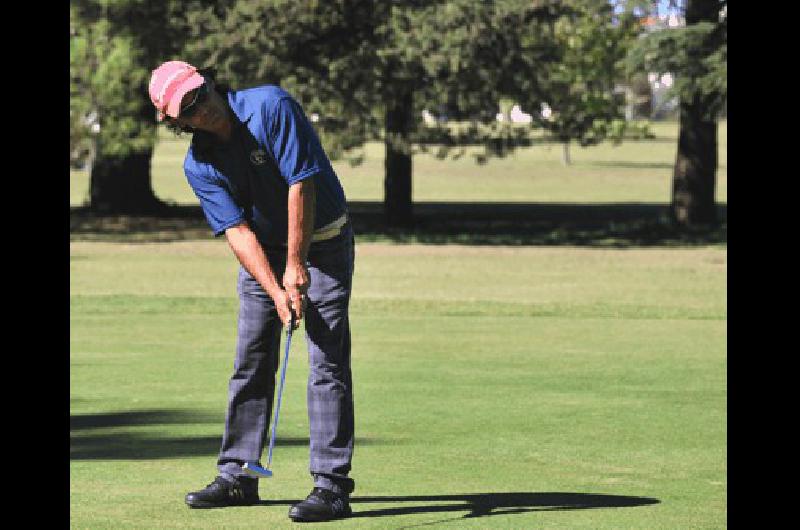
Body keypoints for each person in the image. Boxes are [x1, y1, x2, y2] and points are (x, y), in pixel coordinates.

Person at [148, 60, 356, 522]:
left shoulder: (271, 107)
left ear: (208, 82)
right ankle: (238, 476)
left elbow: (301, 184)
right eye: (187, 107)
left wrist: (296, 265)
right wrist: (276, 287)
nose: (201, 108)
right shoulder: (198, 164)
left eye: (199, 94)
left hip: (322, 242)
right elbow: (237, 231)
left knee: (326, 360)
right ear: (174, 120)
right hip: (263, 250)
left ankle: (331, 484)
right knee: (252, 358)